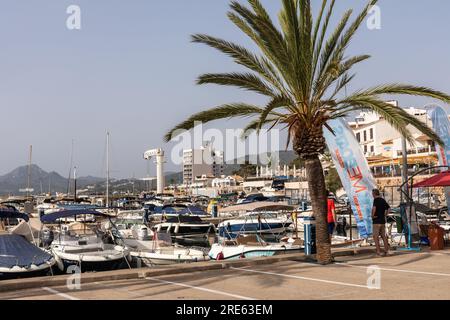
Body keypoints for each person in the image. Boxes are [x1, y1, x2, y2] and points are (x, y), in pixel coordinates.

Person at [372, 189, 390, 256]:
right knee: (384, 236)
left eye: (372, 194)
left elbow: (374, 208)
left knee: (375, 237)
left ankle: (378, 252)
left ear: (374, 194)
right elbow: (389, 208)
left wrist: (372, 216)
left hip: (376, 221)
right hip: (382, 221)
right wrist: (385, 215)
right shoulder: (383, 200)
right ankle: (386, 251)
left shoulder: (375, 200)